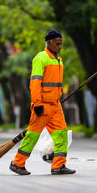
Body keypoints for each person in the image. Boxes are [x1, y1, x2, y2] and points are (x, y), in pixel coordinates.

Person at [10, 29, 76, 175]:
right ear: (49, 43)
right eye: (57, 44)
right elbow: (35, 83)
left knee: (61, 135)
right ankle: (17, 163)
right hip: (43, 105)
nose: (60, 47)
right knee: (32, 136)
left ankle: (58, 165)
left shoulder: (58, 60)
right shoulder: (41, 58)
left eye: (61, 44)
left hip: (55, 106)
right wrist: (37, 103)